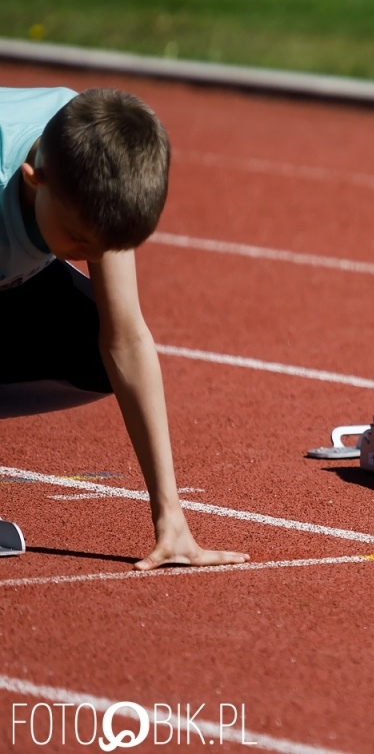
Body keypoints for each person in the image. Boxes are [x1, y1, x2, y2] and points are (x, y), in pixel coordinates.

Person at [0, 85, 247, 569]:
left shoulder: (92, 160)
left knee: (95, 358)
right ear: (33, 179)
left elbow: (126, 339)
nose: (90, 255)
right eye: (77, 240)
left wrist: (170, 516)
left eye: (103, 245)